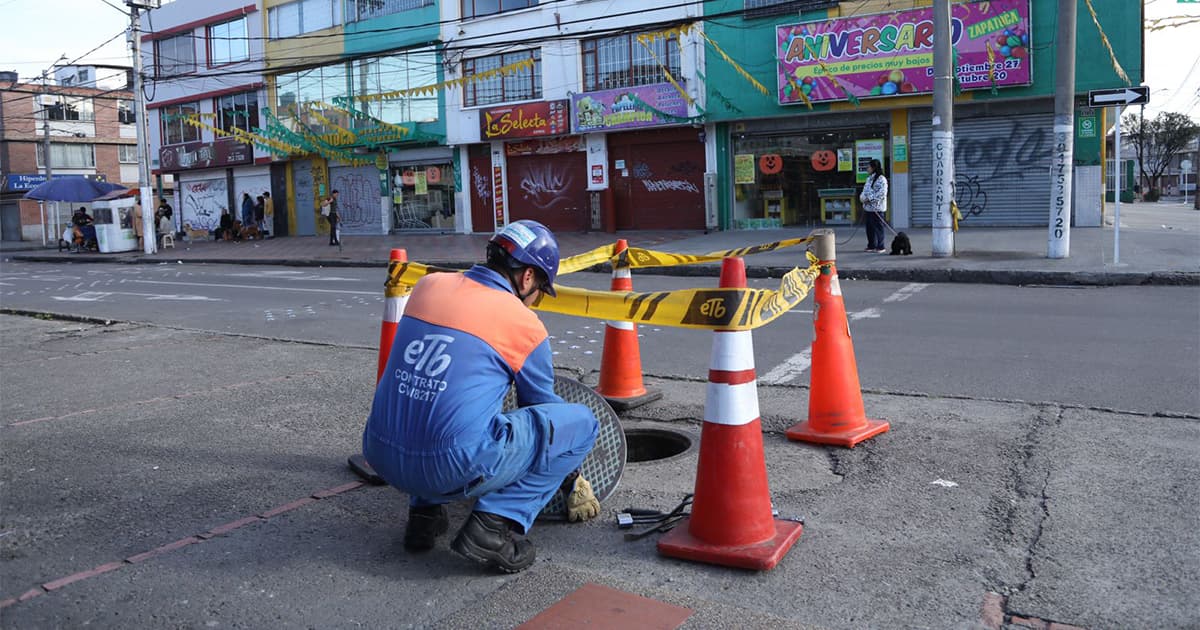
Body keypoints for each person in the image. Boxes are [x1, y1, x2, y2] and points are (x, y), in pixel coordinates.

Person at [362, 220, 601, 573]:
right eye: (540, 290)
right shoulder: (523, 322)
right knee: (582, 424)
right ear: (528, 278)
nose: (535, 301)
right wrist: (570, 474)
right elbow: (539, 409)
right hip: (448, 466)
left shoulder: (427, 285)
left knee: (429, 397)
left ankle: (424, 516)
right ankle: (493, 525)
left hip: (380, 452)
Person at [860, 158, 889, 253]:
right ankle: (871, 245)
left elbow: (882, 193)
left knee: (878, 227)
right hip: (868, 208)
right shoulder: (869, 179)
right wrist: (863, 198)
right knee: (869, 228)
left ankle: (881, 246)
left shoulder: (882, 179)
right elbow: (865, 190)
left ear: (873, 167)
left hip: (877, 208)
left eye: (868, 167)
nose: (867, 169)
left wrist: (870, 199)